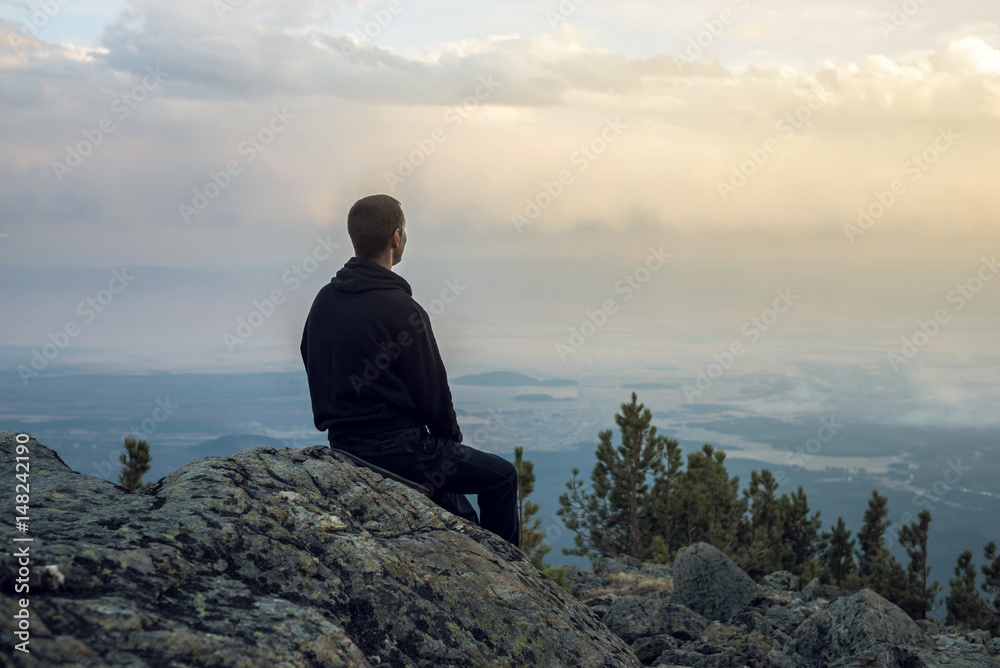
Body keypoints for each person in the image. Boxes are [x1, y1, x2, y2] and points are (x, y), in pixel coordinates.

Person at [300, 194, 519, 547]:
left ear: (355, 238)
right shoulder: (403, 310)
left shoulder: (324, 300)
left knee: (460, 513)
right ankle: (511, 574)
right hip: (400, 450)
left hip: (343, 445)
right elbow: (433, 395)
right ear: (396, 237)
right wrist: (449, 439)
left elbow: (310, 357)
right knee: (502, 477)